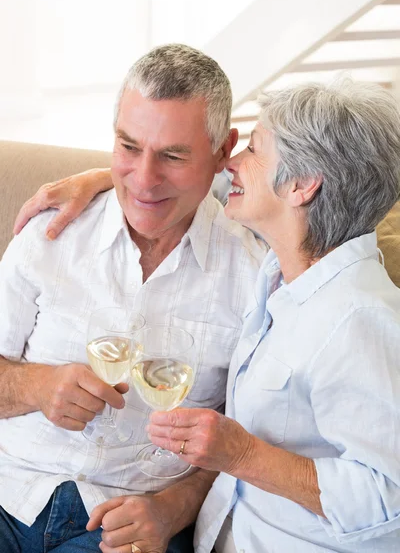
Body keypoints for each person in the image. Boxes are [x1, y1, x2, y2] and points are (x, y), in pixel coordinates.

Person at [26, 80, 400, 552]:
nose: (233, 162)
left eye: (255, 151)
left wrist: (242, 453)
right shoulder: (282, 272)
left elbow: (391, 497)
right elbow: (184, 175)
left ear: (303, 186)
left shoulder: (360, 319)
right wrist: (108, 180)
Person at [0, 44, 265, 553]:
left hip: (124, 525)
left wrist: (174, 509)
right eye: (128, 147)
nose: (143, 181)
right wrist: (35, 386)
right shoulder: (51, 234)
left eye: (172, 155)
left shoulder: (254, 275)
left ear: (221, 150)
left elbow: (252, 444)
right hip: (9, 492)